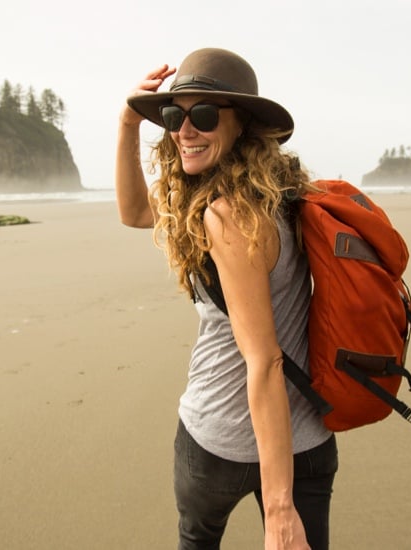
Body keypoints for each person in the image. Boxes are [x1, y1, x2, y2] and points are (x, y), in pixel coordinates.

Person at [115, 48, 338, 550]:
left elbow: (264, 361)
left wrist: (278, 509)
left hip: (219, 438)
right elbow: (133, 211)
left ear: (243, 125)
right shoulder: (285, 192)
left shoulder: (227, 214)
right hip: (305, 442)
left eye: (205, 115)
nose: (184, 130)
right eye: (173, 115)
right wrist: (130, 122)